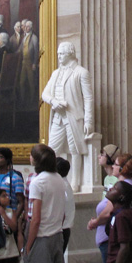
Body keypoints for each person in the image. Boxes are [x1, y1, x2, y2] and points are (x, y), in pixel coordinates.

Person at [40, 42, 94, 193]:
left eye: (62, 54)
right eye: (58, 54)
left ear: (70, 54)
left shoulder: (81, 72)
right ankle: (52, 180)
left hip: (73, 116)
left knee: (75, 149)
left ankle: (75, 181)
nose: (59, 57)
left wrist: (89, 120)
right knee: (52, 149)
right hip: (58, 117)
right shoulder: (56, 73)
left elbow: (88, 98)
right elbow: (45, 94)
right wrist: (54, 102)